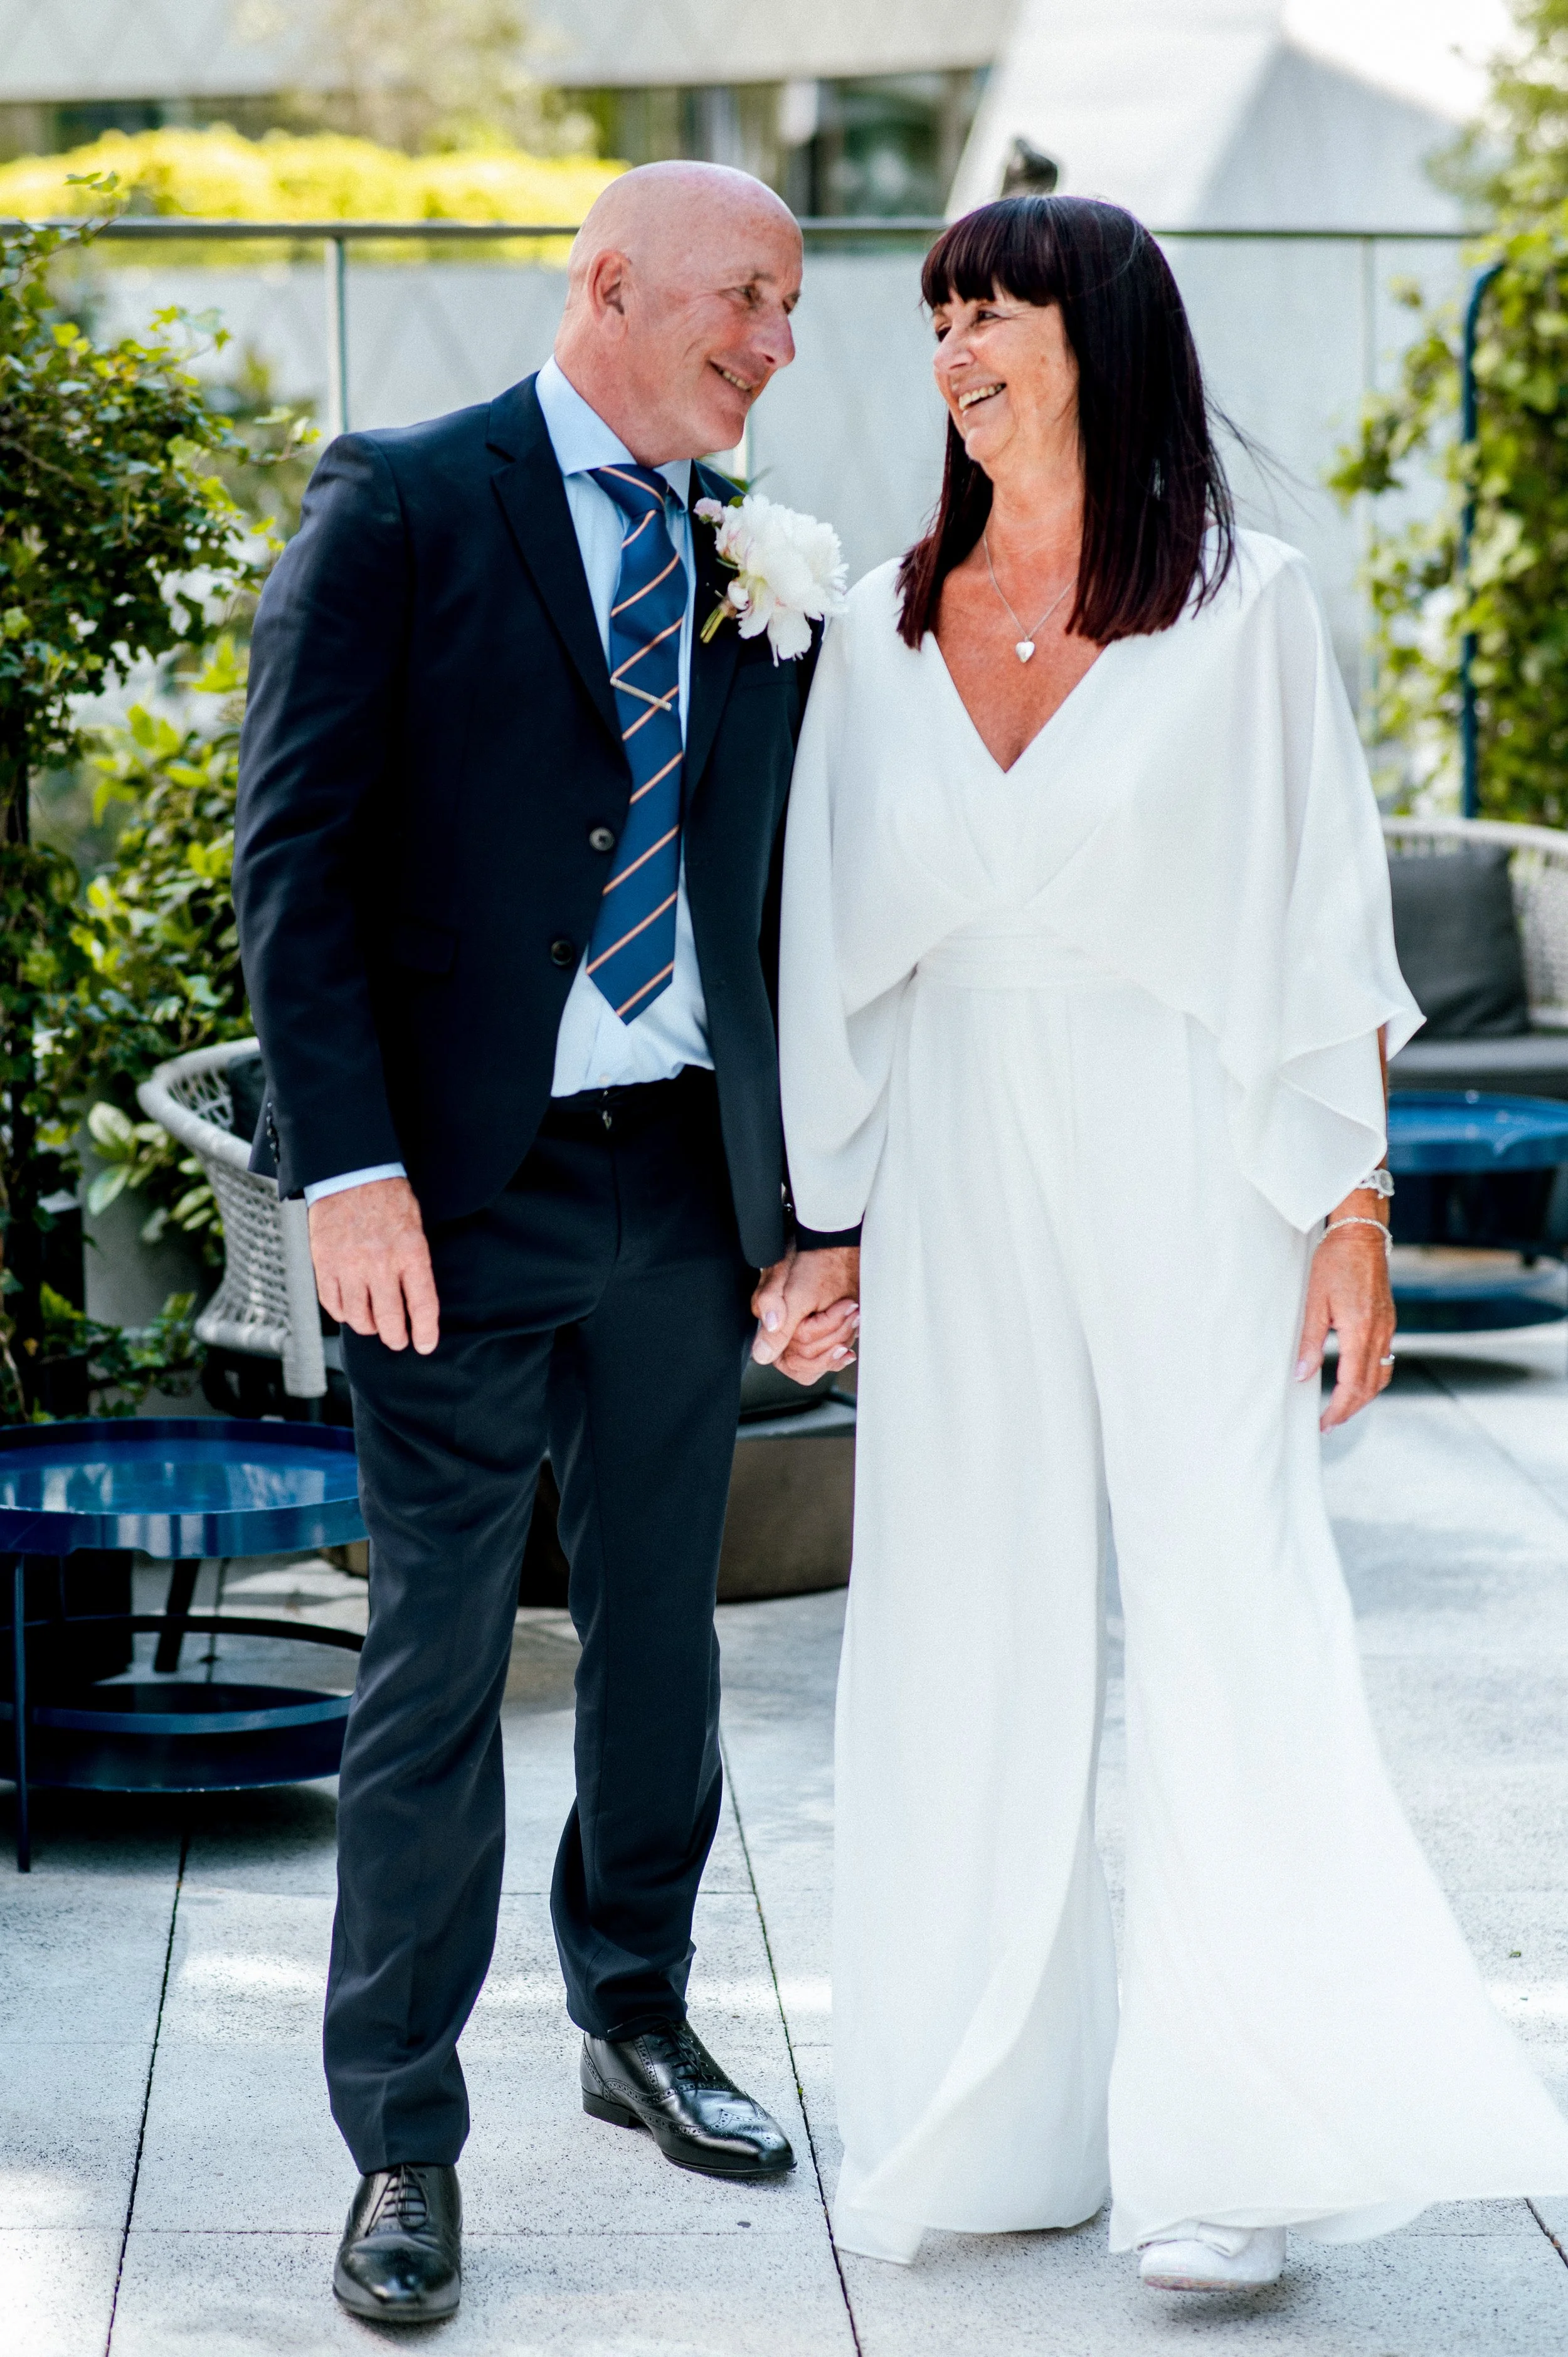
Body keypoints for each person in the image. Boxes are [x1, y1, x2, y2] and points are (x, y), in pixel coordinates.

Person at [764, 193, 1568, 2292]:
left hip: (1189, 1139)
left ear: (1098, 340)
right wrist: (826, 1224)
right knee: (959, 1607)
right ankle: (992, 2116)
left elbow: (1318, 923)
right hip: (952, 1144)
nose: (953, 351)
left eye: (993, 312)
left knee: (1225, 1602)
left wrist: (1350, 1207)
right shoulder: (873, 618)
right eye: (937, 317)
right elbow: (829, 955)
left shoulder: (1244, 605)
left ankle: (1230, 2140)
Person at [233, 161, 861, 2326]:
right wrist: (347, 1168)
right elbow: (293, 861)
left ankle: (640, 2012)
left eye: (791, 306)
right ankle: (401, 2135)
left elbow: (792, 911)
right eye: (748, 299)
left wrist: (814, 1212)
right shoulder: (402, 501)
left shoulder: (753, 559)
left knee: (667, 1639)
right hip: (455, 1195)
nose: (780, 341)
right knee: (433, 1663)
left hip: (688, 1189)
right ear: (611, 282)